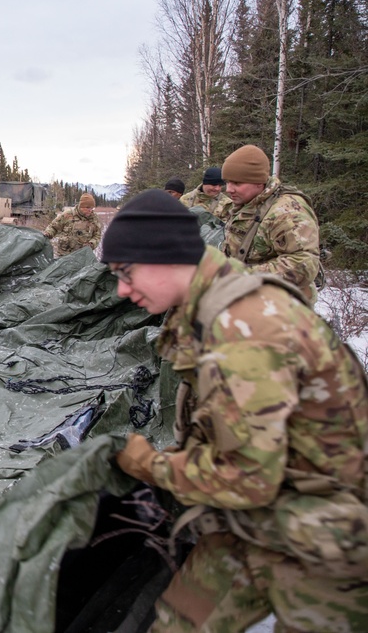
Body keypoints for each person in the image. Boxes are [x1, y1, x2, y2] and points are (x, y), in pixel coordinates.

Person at [102, 190, 368, 633]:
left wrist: (149, 465)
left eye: (126, 272)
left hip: (323, 537)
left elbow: (248, 479)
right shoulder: (211, 305)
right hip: (255, 522)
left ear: (168, 259)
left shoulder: (244, 333)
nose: (121, 290)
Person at [220, 144, 320, 302]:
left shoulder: (286, 212)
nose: (229, 189)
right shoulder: (246, 205)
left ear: (258, 183)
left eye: (237, 183)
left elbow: (304, 263)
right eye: (227, 182)